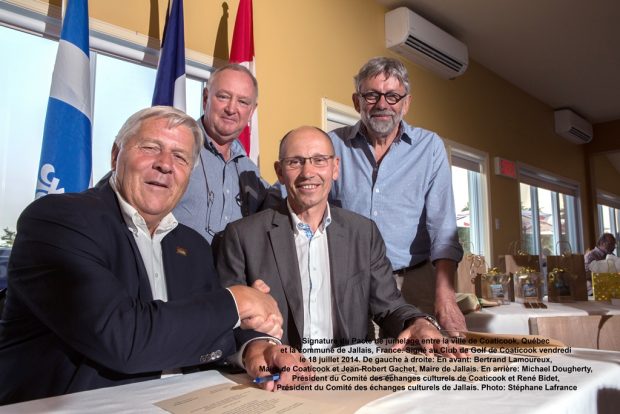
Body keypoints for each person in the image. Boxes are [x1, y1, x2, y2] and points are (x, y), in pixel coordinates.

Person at [0, 107, 305, 405]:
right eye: (150, 148)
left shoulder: (193, 245)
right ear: (116, 155)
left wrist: (253, 347)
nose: (165, 164)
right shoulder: (59, 221)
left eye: (180, 157)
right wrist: (237, 301)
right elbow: (123, 338)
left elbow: (202, 326)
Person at [217, 126, 466, 357]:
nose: (308, 172)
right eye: (295, 162)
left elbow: (389, 306)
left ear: (335, 168)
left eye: (319, 160)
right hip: (278, 374)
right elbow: (226, 321)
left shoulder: (363, 234)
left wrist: (418, 323)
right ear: (279, 172)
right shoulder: (242, 237)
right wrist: (257, 348)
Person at [328, 57, 465, 333]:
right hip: (346, 284)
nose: (382, 105)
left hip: (412, 286)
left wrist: (446, 295)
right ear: (357, 102)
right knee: (355, 369)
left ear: (406, 103)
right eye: (371, 95)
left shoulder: (430, 147)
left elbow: (443, 228)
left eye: (392, 96)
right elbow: (294, 198)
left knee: (423, 371)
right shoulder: (331, 145)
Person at [174, 64, 277, 244]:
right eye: (223, 96)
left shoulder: (250, 171)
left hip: (230, 272)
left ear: (251, 110)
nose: (231, 108)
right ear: (205, 99)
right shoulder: (175, 146)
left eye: (243, 102)